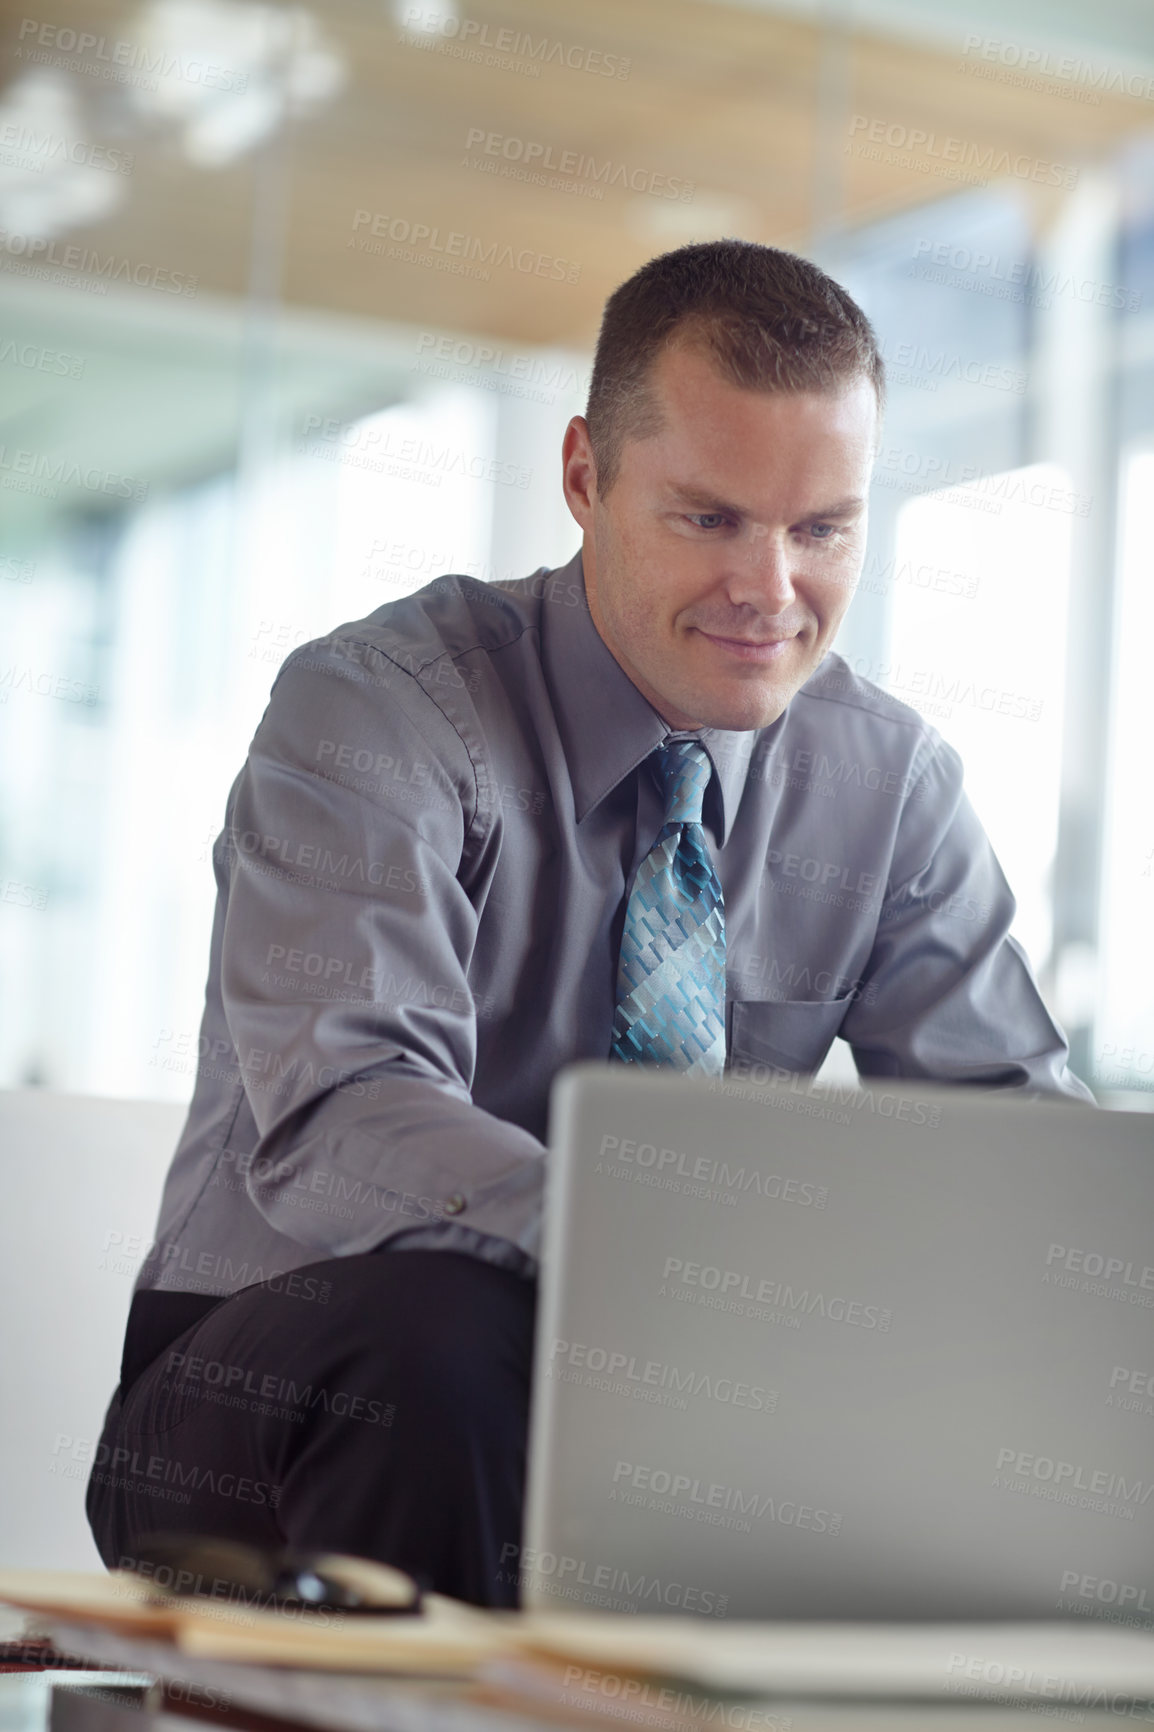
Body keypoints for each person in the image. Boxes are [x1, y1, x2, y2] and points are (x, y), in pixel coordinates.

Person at [87, 239, 1093, 1607]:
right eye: (708, 519)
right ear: (582, 477)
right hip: (296, 1370)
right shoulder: (377, 710)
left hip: (678, 1408)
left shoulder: (886, 782)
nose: (769, 591)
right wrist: (663, 1258)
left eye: (820, 529)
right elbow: (342, 1109)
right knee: (448, 1334)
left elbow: (1017, 1155)